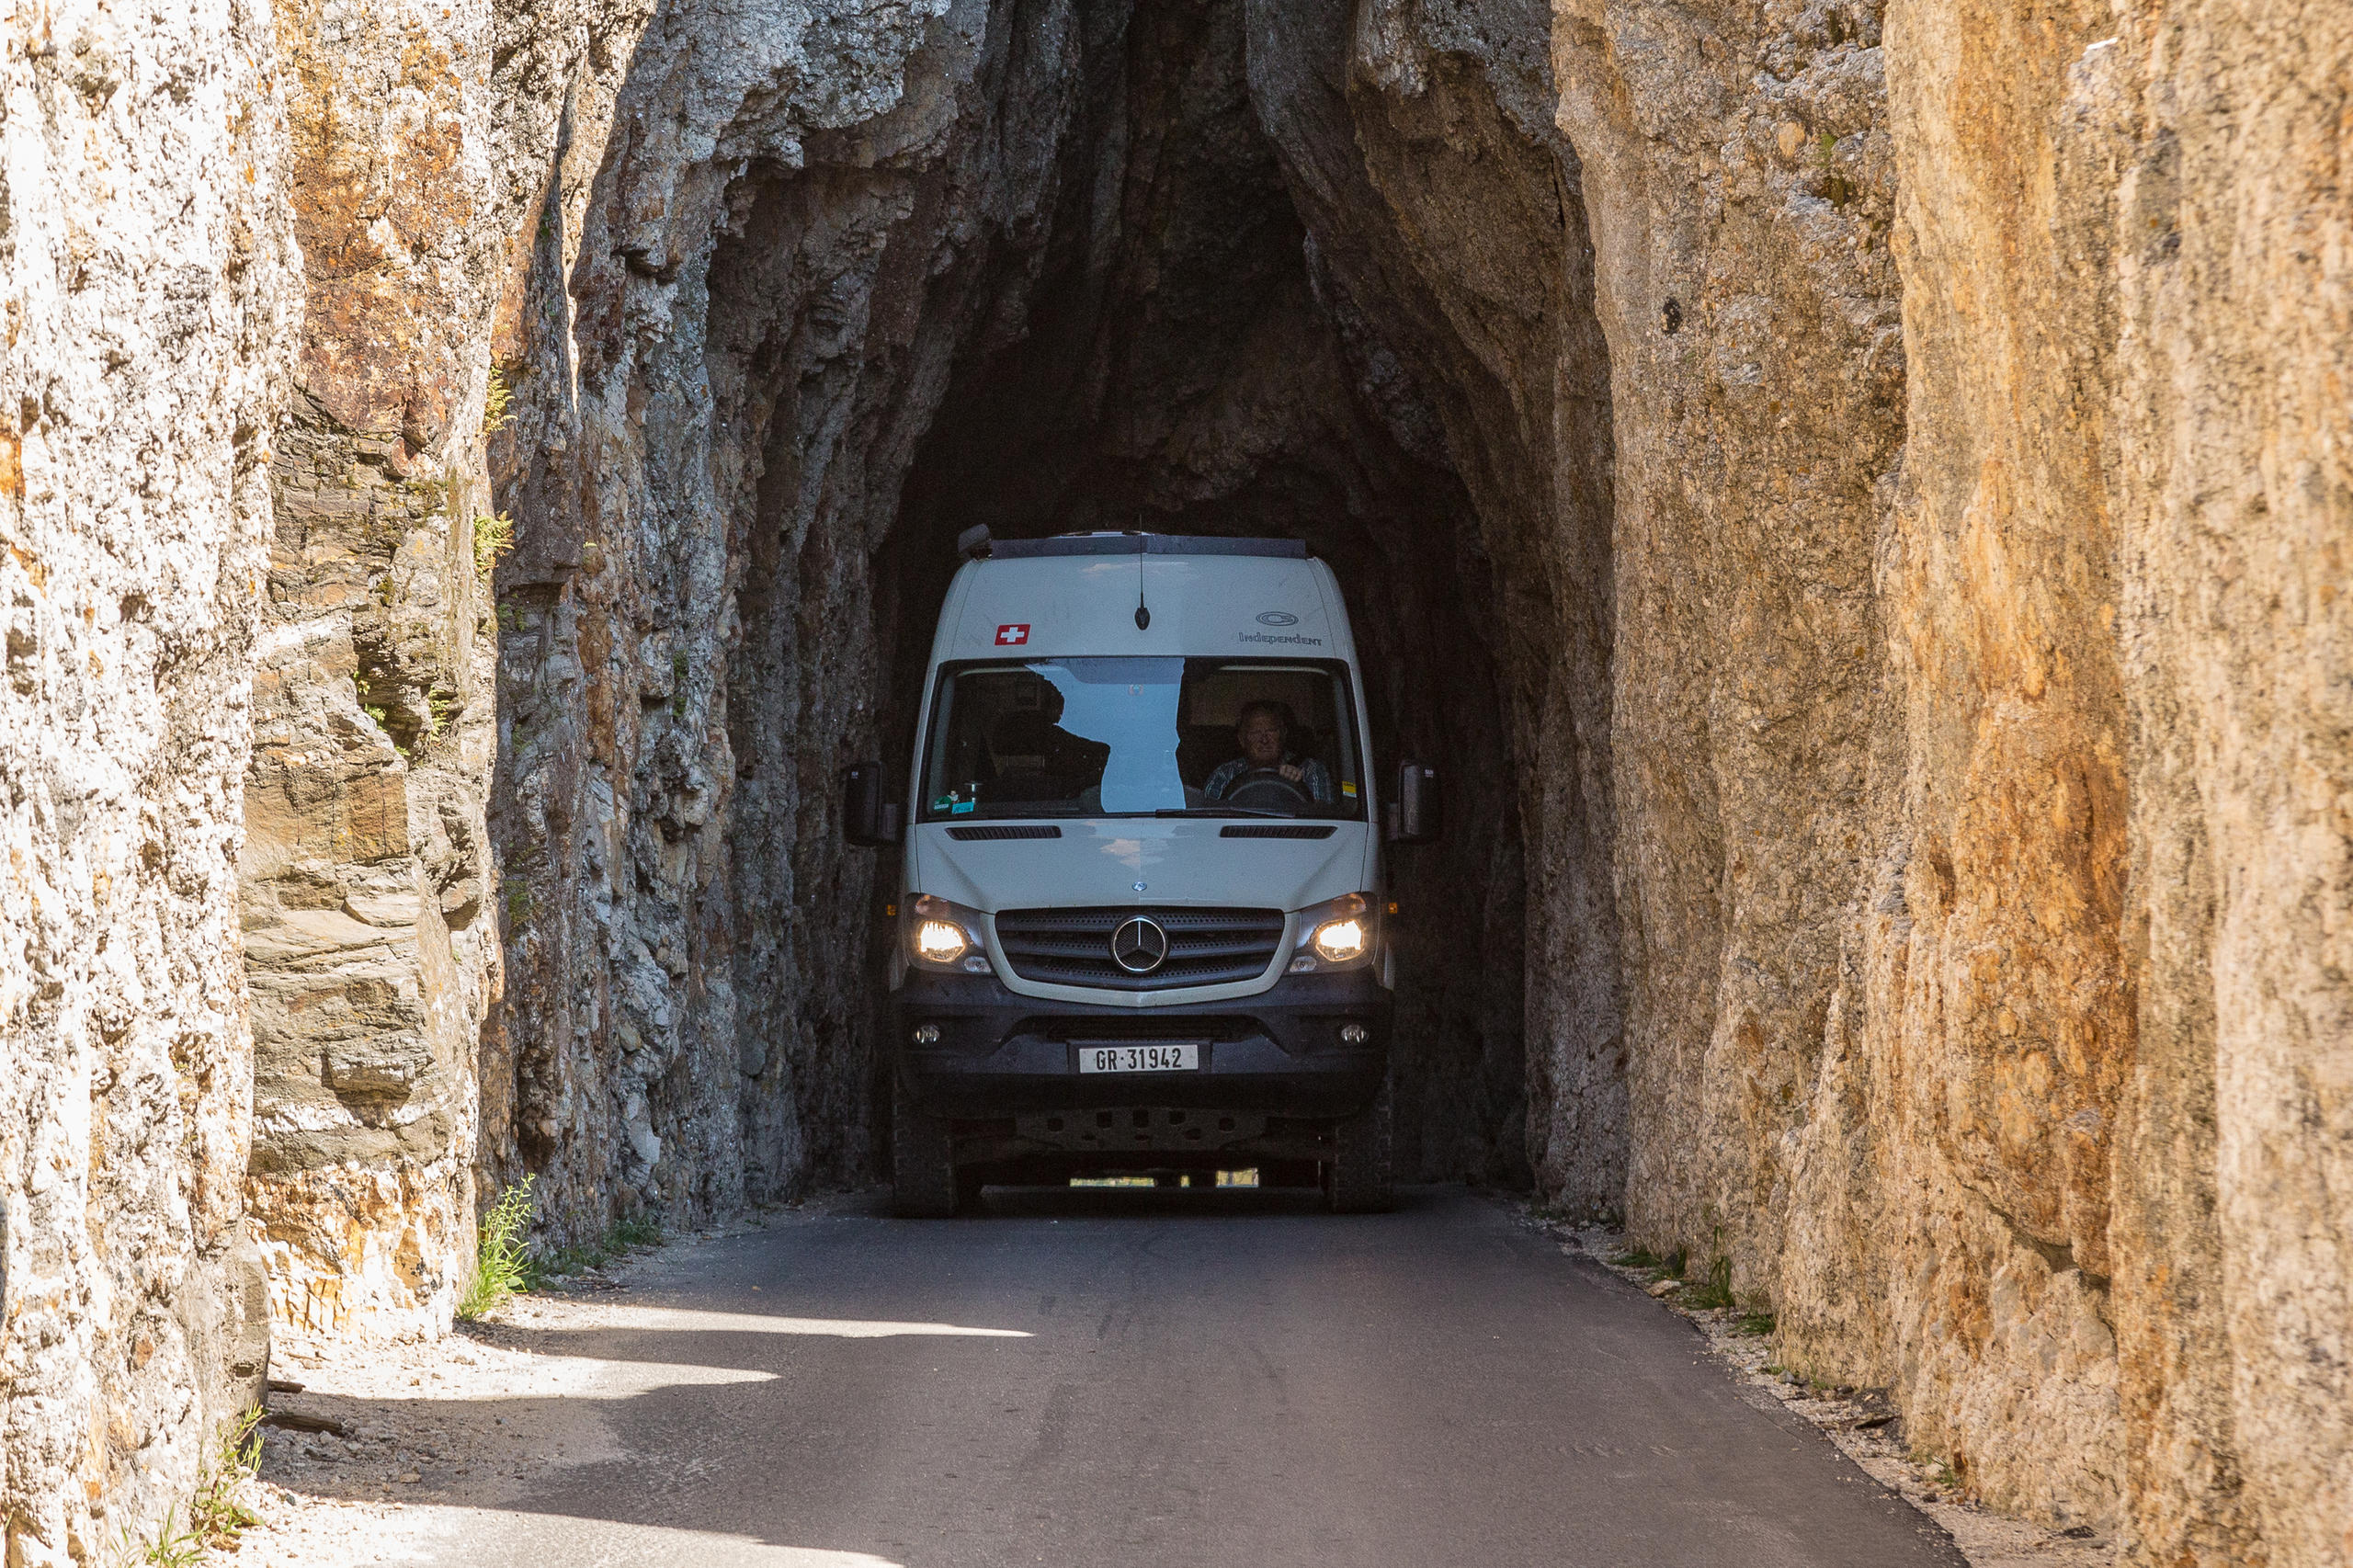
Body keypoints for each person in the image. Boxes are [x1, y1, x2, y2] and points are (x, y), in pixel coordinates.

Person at [1204, 699, 1333, 805]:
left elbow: (1323, 817)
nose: (1264, 740)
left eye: (1271, 731)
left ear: (1283, 735)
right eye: (1255, 732)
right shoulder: (1224, 775)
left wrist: (1296, 786)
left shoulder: (1310, 769)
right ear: (1242, 739)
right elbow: (1209, 820)